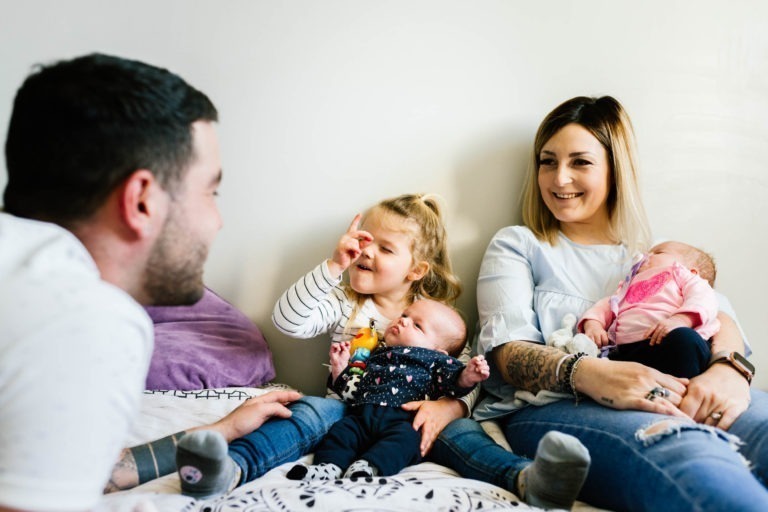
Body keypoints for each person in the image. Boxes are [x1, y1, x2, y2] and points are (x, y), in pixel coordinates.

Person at [427, 95, 768, 511]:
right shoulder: (521, 244)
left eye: (580, 162)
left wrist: (729, 371)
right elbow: (505, 354)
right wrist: (597, 375)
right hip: (556, 407)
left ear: (615, 169)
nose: (559, 178)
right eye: (547, 161)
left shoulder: (652, 257)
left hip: (679, 385)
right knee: (689, 452)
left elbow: (720, 316)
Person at [0, 53, 301, 512]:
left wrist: (221, 430)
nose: (216, 221)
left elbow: (71, 470)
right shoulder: (85, 316)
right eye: (210, 192)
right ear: (141, 200)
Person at [173, 193, 591, 510]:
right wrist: (332, 267)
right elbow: (288, 321)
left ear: (415, 270)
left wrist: (450, 408)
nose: (367, 251)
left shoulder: (438, 318)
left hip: (414, 414)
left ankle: (527, 481)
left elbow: (465, 374)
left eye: (385, 248)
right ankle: (227, 470)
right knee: (304, 413)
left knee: (465, 436)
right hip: (348, 409)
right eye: (364, 239)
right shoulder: (347, 303)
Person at [286, 299, 490, 481]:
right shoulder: (376, 354)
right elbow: (351, 392)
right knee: (341, 432)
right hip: (361, 418)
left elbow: (453, 383)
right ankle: (328, 466)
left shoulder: (436, 361)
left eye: (417, 325)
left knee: (407, 441)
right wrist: (340, 369)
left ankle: (370, 466)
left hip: (403, 421)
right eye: (404, 315)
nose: (403, 321)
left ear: (438, 350)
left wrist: (467, 376)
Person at [579, 240, 720, 378]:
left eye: (658, 252)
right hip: (628, 351)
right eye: (648, 252)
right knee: (602, 363)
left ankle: (682, 384)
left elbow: (703, 299)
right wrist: (593, 325)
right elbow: (604, 306)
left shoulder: (684, 277)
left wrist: (681, 319)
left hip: (668, 342)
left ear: (692, 271)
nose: (646, 256)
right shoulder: (626, 286)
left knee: (686, 340)